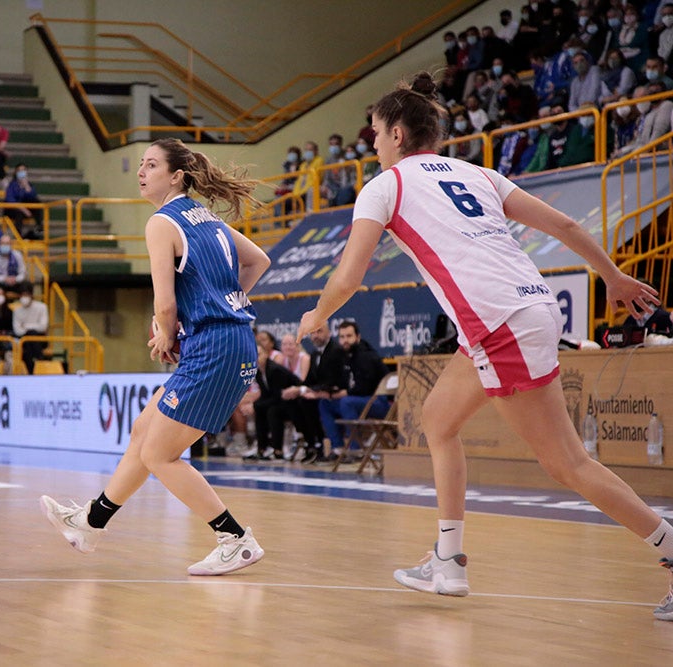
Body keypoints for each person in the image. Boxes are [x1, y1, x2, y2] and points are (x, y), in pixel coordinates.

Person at [295, 72, 673, 619]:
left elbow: (349, 278)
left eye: (375, 132)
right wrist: (611, 275)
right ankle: (448, 559)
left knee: (567, 464)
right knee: (437, 419)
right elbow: (565, 223)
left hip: (499, 323)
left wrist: (316, 314)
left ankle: (668, 548)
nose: (371, 143)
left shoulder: (386, 185)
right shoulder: (478, 173)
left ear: (398, 134)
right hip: (528, 307)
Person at [40, 138, 272, 576]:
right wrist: (220, 307)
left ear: (176, 176)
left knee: (159, 456)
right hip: (229, 339)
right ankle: (92, 523)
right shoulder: (209, 220)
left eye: (150, 164)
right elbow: (258, 261)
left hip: (215, 346)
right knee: (144, 432)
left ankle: (235, 538)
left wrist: (168, 331)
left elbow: (164, 305)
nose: (142, 172)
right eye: (141, 165)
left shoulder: (162, 222)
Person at [316, 320, 389, 462]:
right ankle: (337, 448)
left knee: (346, 402)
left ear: (358, 337)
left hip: (378, 402)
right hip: (358, 400)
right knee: (325, 403)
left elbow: (365, 387)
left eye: (349, 336)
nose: (345, 341)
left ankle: (355, 450)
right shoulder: (345, 355)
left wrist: (344, 393)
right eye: (342, 337)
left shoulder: (366, 355)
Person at [281, 322, 344, 464]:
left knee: (306, 402)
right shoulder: (315, 354)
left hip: (333, 395)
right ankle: (311, 443)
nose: (315, 336)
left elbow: (331, 381)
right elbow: (310, 380)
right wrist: (297, 390)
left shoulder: (335, 351)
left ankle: (319, 443)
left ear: (328, 332)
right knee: (292, 402)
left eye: (319, 331)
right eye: (312, 333)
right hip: (319, 393)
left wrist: (303, 390)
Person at [11, 282, 49, 373]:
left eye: (27, 295)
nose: (24, 298)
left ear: (31, 295)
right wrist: (32, 328)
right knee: (26, 343)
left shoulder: (42, 307)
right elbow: (17, 330)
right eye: (22, 295)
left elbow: (43, 327)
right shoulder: (17, 311)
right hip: (24, 340)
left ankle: (34, 366)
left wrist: (26, 326)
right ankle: (38, 360)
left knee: (32, 334)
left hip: (40, 339)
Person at [3, 163, 42, 237]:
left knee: (37, 202)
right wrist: (23, 209)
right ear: (15, 172)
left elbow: (33, 197)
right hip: (13, 210)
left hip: (26, 209)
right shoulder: (12, 185)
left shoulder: (29, 185)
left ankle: (39, 226)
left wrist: (26, 186)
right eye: (19, 170)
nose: (21, 172)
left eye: (23, 170)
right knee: (19, 213)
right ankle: (18, 235)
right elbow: (10, 200)